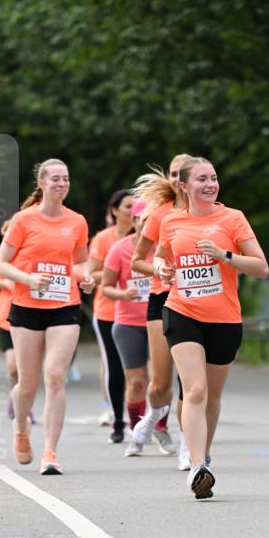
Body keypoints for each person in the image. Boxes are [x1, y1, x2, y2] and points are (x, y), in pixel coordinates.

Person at [154, 156, 269, 499]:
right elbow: (162, 256)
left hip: (224, 318)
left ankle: (203, 455)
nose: (210, 184)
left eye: (213, 178)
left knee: (212, 398)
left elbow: (261, 267)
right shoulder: (171, 221)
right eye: (202, 179)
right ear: (184, 186)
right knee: (196, 391)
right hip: (181, 311)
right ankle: (196, 467)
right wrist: (161, 269)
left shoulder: (233, 219)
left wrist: (224, 256)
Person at [0, 158, 93, 475]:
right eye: (55, 179)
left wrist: (86, 277)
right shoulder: (22, 221)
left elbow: (79, 262)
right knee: (27, 383)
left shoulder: (77, 222)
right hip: (26, 307)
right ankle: (21, 428)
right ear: (42, 184)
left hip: (64, 306)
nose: (61, 184)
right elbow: (2, 264)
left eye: (66, 178)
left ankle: (50, 451)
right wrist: (27, 280)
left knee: (55, 376)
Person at [131, 153, 194, 470]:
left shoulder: (212, 212)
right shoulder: (160, 215)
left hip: (198, 302)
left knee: (191, 382)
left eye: (184, 172)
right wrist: (159, 269)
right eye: (173, 173)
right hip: (163, 300)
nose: (178, 178)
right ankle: (153, 416)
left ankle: (188, 446)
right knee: (161, 385)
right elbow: (138, 260)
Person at [101, 200, 162, 457]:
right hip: (128, 323)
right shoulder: (120, 249)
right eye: (142, 219)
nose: (146, 224)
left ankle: (160, 427)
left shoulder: (164, 248)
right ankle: (136, 431)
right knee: (137, 382)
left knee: (160, 383)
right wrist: (123, 293)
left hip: (159, 320)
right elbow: (105, 286)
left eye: (152, 219)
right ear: (134, 221)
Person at [88, 190, 132, 443]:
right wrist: (113, 270)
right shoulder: (103, 239)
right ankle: (117, 417)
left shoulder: (145, 239)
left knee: (141, 369)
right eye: (127, 207)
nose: (132, 211)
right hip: (108, 311)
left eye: (136, 207)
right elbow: (91, 274)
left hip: (139, 311)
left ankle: (144, 418)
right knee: (115, 365)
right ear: (115, 210)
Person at [0, 220, 35, 423]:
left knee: (27, 367)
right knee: (13, 367)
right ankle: (16, 397)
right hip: (6, 316)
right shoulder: (6, 257)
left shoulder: (30, 254)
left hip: (28, 313)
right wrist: (8, 281)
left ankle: (23, 404)